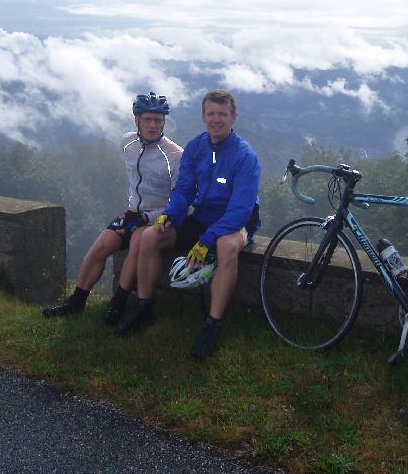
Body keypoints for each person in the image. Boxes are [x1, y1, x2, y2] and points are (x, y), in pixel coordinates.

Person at [115, 89, 261, 359]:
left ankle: (212, 325)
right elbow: (183, 190)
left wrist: (206, 241)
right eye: (211, 114)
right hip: (202, 216)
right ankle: (145, 306)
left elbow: (240, 210)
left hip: (234, 221)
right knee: (149, 237)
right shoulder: (196, 148)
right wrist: (170, 214)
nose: (216, 119)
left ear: (233, 117)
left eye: (222, 114)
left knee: (227, 247)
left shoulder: (245, 156)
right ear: (203, 116)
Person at [43, 92, 183, 324]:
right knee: (99, 248)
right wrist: (132, 212)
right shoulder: (127, 142)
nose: (152, 125)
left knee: (138, 242)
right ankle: (76, 301)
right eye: (147, 119)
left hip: (158, 218)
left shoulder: (175, 155)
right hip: (132, 212)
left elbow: (180, 201)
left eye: (158, 120)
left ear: (164, 122)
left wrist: (150, 216)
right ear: (136, 120)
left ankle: (118, 301)